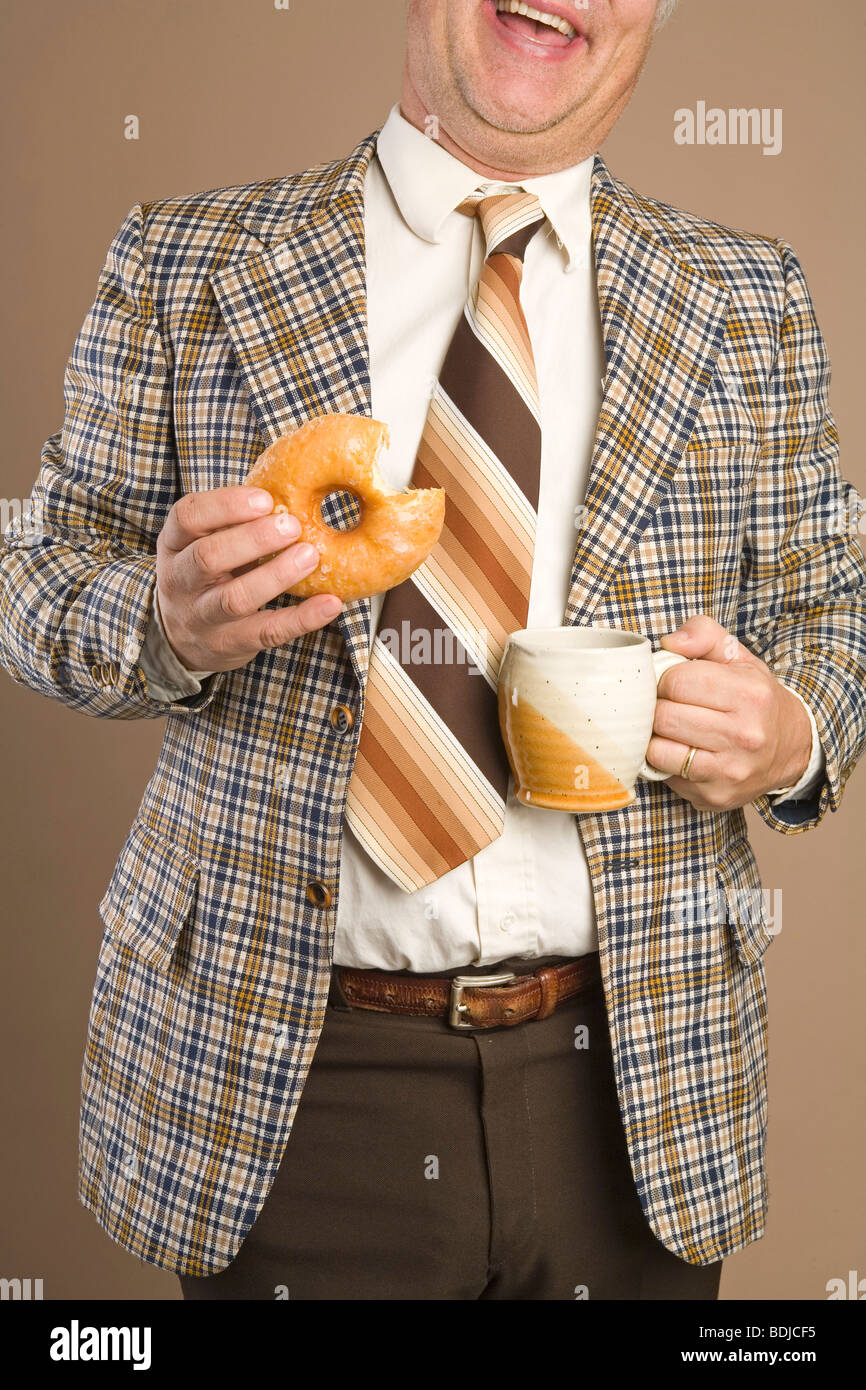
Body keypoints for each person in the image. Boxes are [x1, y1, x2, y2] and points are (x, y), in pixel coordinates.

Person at [1, 0, 863, 1301]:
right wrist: (161, 622)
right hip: (285, 1084)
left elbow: (833, 612)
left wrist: (790, 732)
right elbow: (37, 580)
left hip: (634, 1083)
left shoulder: (747, 298)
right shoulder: (187, 260)